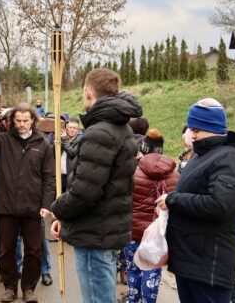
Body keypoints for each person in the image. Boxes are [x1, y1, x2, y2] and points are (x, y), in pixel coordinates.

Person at [156, 98, 235, 303]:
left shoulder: (231, 158)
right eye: (191, 128)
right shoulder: (203, 155)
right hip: (190, 262)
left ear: (214, 128)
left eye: (198, 128)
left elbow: (219, 205)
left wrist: (174, 200)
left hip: (209, 267)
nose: (193, 133)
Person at [50, 68, 142, 303]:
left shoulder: (100, 132)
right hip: (103, 231)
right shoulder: (120, 127)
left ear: (88, 92)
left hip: (95, 235)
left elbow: (85, 192)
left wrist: (58, 209)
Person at [0, 103, 55, 303]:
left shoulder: (43, 144)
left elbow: (49, 177)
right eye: (18, 120)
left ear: (33, 120)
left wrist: (47, 204)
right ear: (12, 120)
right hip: (6, 205)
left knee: (34, 250)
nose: (21, 124)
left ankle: (29, 288)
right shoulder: (4, 139)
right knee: (7, 250)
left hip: (33, 207)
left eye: (25, 120)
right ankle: (9, 287)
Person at [124, 128, 179, 303]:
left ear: (144, 148)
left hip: (132, 232)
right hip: (157, 234)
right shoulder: (174, 174)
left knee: (133, 268)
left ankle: (133, 300)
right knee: (152, 272)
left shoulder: (132, 171)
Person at [60, 118, 82, 193]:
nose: (72, 130)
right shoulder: (62, 139)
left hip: (69, 176)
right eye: (70, 127)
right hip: (59, 175)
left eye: (74, 128)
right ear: (66, 129)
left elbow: (72, 153)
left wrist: (64, 139)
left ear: (78, 131)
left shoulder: (80, 141)